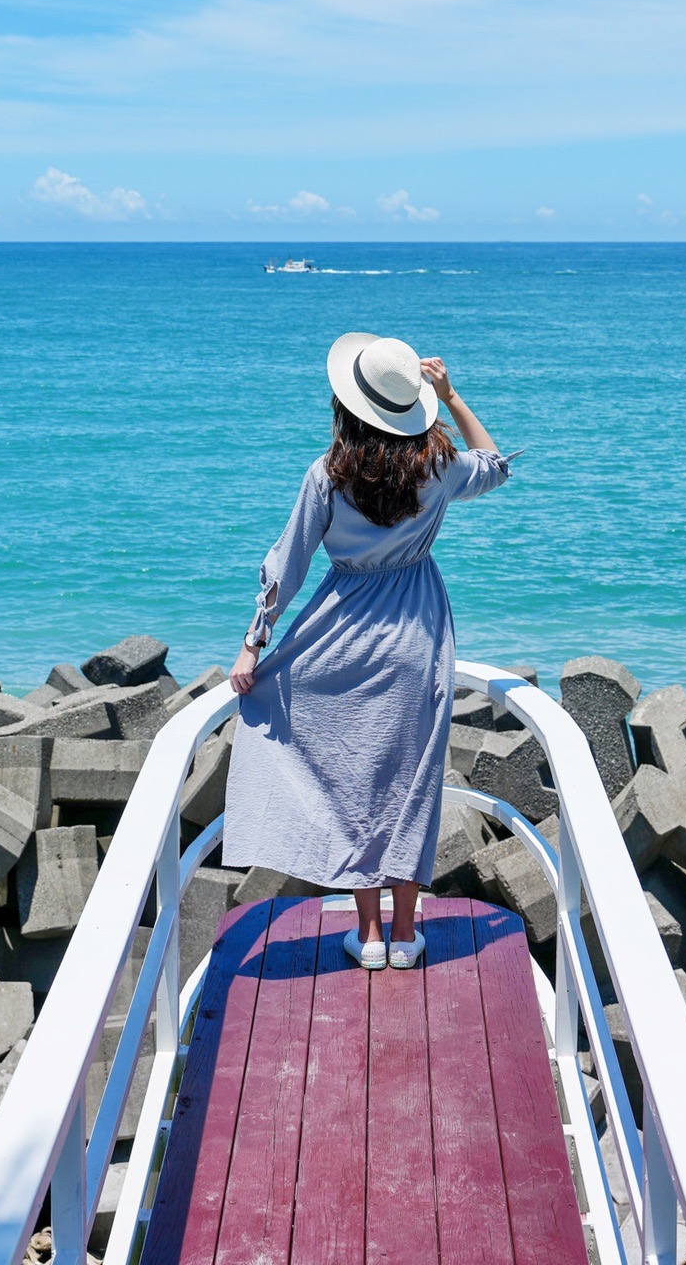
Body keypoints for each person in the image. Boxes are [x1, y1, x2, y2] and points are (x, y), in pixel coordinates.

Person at [222, 331, 510, 970]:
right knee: (411, 781)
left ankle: (372, 936)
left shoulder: (329, 474)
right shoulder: (438, 470)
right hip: (417, 633)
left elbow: (287, 563)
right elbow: (495, 463)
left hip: (341, 635)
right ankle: (408, 939)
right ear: (410, 407)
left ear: (349, 405)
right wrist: (452, 393)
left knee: (351, 777)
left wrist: (253, 645)